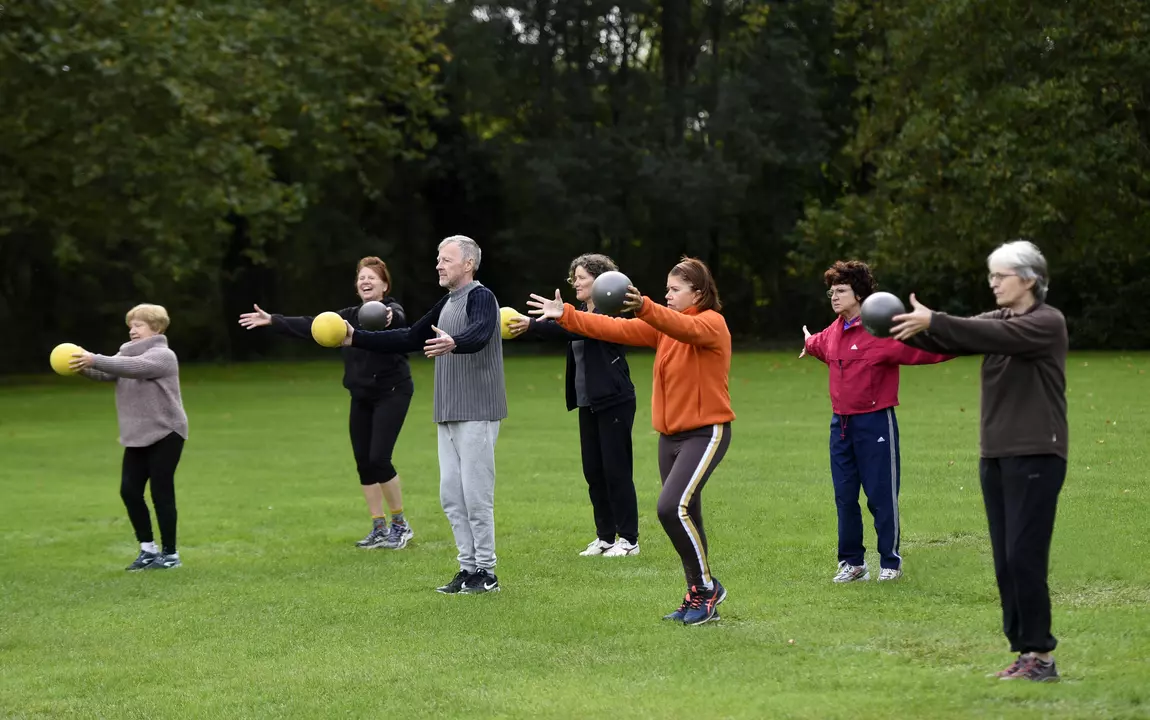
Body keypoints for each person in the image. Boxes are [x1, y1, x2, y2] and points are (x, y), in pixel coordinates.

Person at [890, 239, 1067, 683]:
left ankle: (1042, 658)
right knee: (1006, 561)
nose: (993, 283)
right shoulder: (997, 319)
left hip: (1037, 454)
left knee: (1025, 557)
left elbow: (986, 335)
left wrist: (936, 319)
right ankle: (1025, 652)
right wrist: (892, 324)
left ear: (1029, 279)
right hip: (996, 455)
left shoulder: (1046, 322)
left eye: (1000, 276)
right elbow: (954, 335)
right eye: (991, 276)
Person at [528, 256, 733, 626]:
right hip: (670, 437)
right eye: (666, 289)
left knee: (671, 508)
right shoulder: (663, 329)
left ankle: (706, 589)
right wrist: (566, 315)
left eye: (675, 290)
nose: (668, 295)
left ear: (698, 293)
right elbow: (611, 328)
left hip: (705, 432)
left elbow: (683, 327)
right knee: (689, 514)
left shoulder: (710, 323)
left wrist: (645, 307)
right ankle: (698, 592)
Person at [342, 236, 508, 595]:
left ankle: (487, 571)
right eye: (438, 258)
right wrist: (356, 337)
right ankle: (467, 568)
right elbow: (409, 336)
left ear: (468, 264)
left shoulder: (482, 297)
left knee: (476, 496)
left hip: (478, 410)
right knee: (452, 497)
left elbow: (480, 332)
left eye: (446, 259)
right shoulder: (447, 302)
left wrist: (455, 342)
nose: (438, 265)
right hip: (447, 412)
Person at [238, 256, 415, 550]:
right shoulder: (346, 317)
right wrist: (273, 320)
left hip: (392, 392)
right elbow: (312, 325)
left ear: (385, 285)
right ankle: (378, 527)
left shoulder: (391, 310)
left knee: (379, 459)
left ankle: (400, 525)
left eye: (372, 277)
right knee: (364, 463)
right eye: (361, 277)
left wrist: (387, 315)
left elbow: (395, 318)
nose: (365, 281)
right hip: (361, 396)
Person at [800, 260, 953, 583]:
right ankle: (852, 564)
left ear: (859, 295)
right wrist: (807, 343)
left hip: (875, 424)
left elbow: (927, 351)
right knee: (845, 496)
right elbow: (817, 345)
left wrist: (969, 340)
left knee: (881, 496)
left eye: (841, 291)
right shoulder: (833, 332)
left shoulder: (881, 333)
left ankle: (890, 562)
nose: (834, 297)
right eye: (831, 291)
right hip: (840, 426)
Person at [508, 253, 640, 558]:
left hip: (614, 400)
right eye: (574, 278)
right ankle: (605, 537)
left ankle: (629, 539)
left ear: (601, 281)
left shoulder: (612, 312)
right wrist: (532, 324)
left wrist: (542, 321)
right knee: (594, 472)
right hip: (588, 402)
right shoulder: (580, 313)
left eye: (581, 278)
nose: (575, 283)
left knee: (616, 471)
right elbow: (566, 329)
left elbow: (580, 328)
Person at [71, 304, 189, 571]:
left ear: (156, 328)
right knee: (130, 491)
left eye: (138, 325)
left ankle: (170, 555)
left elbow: (135, 368)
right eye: (130, 326)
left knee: (161, 492)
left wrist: (94, 358)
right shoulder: (124, 353)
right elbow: (106, 372)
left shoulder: (163, 355)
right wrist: (78, 365)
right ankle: (148, 549)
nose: (132, 330)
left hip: (167, 431)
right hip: (137, 434)